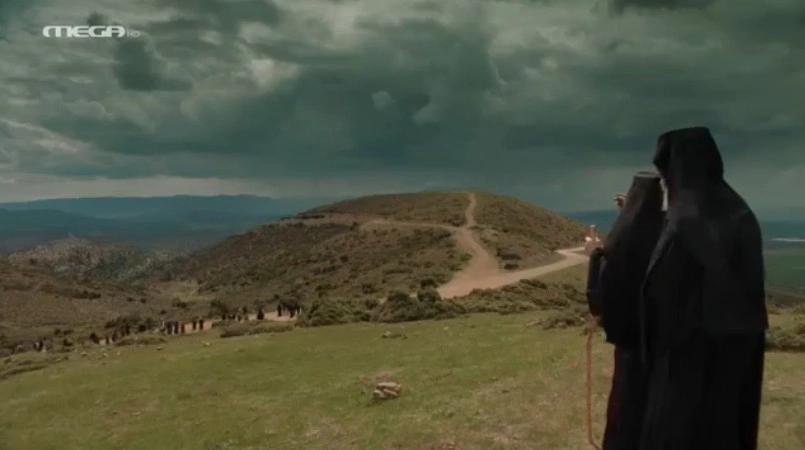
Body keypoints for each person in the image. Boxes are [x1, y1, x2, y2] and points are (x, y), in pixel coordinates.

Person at [638, 127, 768, 450]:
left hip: (686, 357)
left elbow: (658, 293)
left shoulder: (682, 223)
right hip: (738, 352)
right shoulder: (740, 212)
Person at [586, 171, 665, 450]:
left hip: (631, 346)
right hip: (665, 346)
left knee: (628, 407)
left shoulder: (619, 245)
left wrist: (594, 255)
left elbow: (598, 298)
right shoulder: (670, 239)